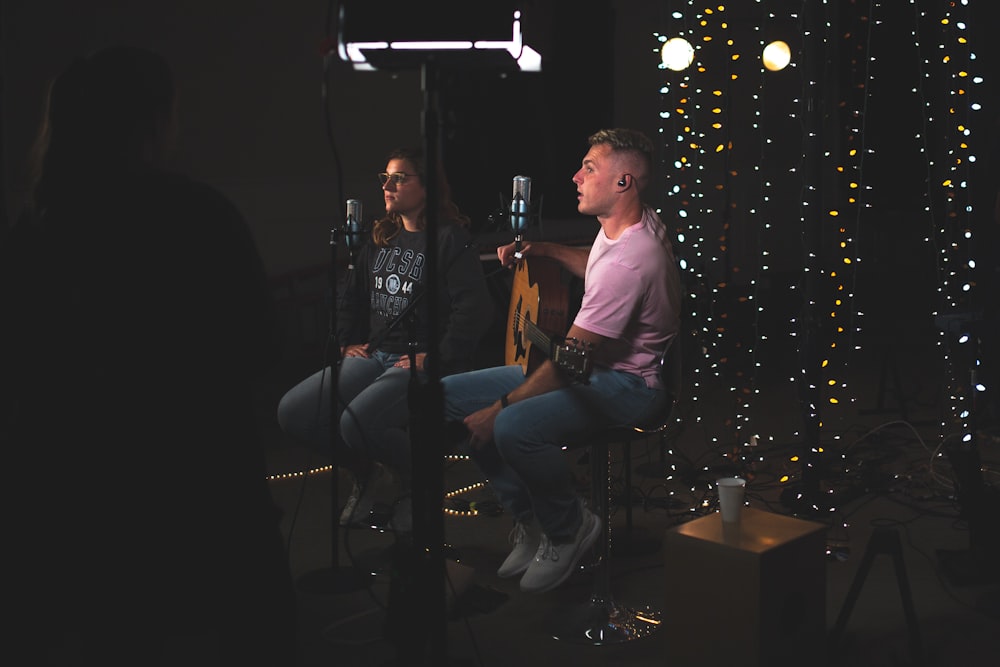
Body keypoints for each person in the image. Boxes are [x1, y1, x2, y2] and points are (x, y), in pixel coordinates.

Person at [0, 46, 297, 665]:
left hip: (71, 489)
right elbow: (261, 344)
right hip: (198, 481)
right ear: (153, 120)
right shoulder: (196, 215)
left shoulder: (38, 224)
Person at [441, 128, 682, 594]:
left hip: (631, 387)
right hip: (595, 369)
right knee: (453, 396)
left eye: (589, 168)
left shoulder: (631, 261)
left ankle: (569, 527)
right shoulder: (629, 226)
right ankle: (533, 521)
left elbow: (570, 361)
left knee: (509, 425)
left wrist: (501, 408)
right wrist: (546, 249)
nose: (576, 176)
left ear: (622, 182)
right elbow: (595, 259)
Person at [276, 146, 493, 532]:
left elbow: (474, 310)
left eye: (400, 177)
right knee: (294, 412)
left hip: (419, 360)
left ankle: (417, 484)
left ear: (426, 187)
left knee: (356, 423)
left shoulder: (448, 239)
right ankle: (367, 474)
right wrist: (346, 341)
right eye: (385, 178)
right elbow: (350, 295)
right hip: (375, 354)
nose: (388, 186)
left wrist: (437, 357)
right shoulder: (382, 235)